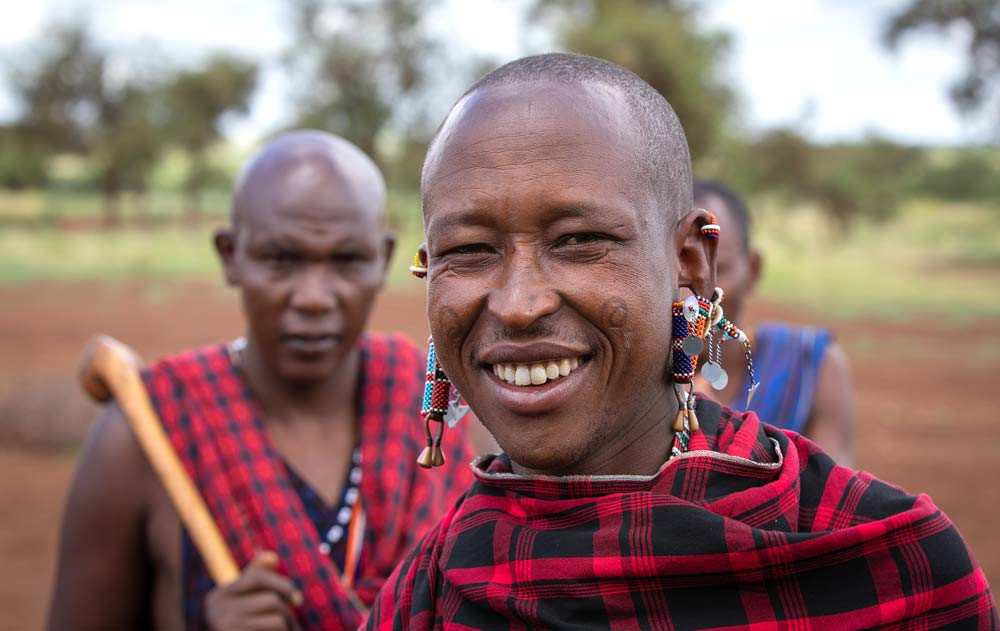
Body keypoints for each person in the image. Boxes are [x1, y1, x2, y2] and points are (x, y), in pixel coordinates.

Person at [364, 53, 997, 630]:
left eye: (579, 240)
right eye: (468, 251)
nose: (519, 304)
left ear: (691, 260)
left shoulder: (887, 569)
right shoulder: (431, 591)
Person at [47, 130, 474, 631]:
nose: (314, 298)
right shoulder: (142, 436)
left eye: (346, 261)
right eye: (282, 260)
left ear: (383, 260)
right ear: (231, 255)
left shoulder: (441, 406)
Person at [691, 178, 855, 464]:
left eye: (719, 269)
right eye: (678, 267)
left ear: (752, 270)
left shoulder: (809, 364)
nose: (696, 291)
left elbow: (831, 493)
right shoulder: (632, 380)